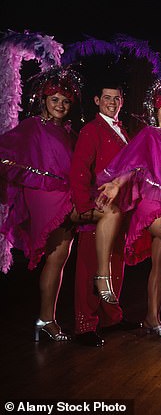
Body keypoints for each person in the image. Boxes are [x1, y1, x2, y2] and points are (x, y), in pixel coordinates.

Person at [95, 79, 161, 343]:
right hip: (152, 206)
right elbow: (132, 164)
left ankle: (152, 318)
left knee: (160, 265)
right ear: (156, 113)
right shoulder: (150, 135)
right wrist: (116, 184)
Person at [0, 68, 82, 342]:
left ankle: (47, 319)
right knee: (55, 257)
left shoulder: (68, 132)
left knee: (60, 259)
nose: (60, 105)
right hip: (44, 194)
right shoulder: (33, 125)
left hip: (65, 193)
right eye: (54, 99)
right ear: (44, 100)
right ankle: (46, 319)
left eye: (65, 101)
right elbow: (6, 149)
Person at [69, 80, 140, 347]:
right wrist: (85, 206)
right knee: (90, 264)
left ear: (122, 102)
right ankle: (84, 325)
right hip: (99, 206)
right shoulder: (91, 130)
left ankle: (111, 317)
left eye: (117, 98)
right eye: (107, 97)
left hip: (120, 208)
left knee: (115, 262)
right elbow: (79, 170)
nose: (112, 102)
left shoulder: (122, 130)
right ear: (97, 100)